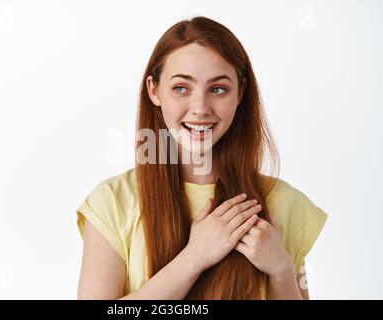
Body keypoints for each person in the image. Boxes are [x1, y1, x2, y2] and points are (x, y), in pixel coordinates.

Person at [76, 16, 328, 300]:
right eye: (181, 88)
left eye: (218, 89)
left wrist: (281, 270)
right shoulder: (112, 202)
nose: (200, 108)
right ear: (154, 91)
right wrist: (194, 258)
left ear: (240, 92)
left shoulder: (283, 202)